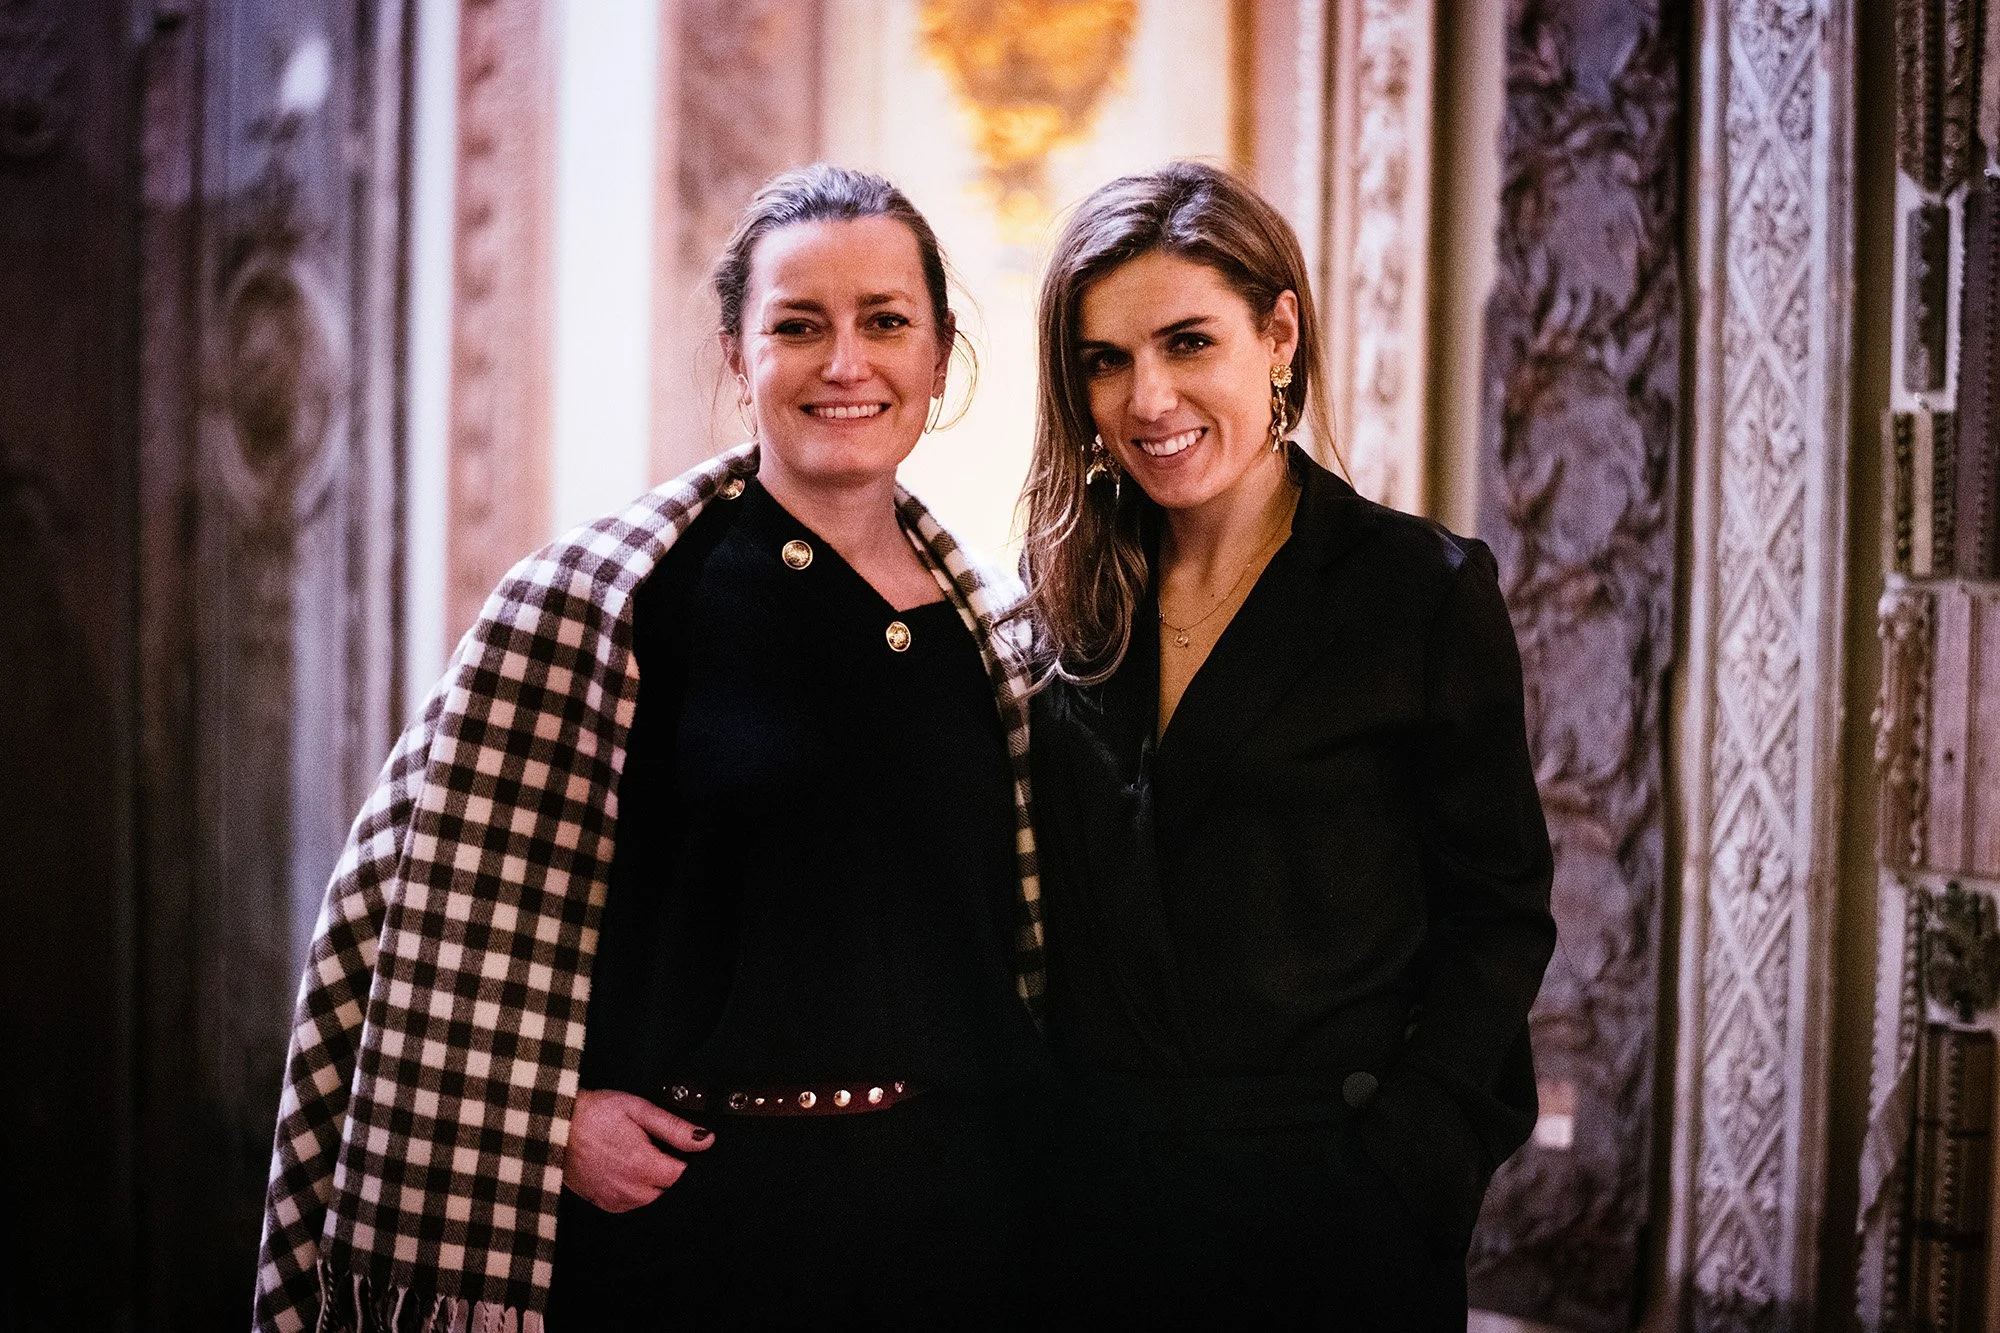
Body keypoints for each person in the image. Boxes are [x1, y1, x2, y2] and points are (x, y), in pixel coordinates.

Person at [254, 164, 1048, 1332]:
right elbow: (411, 935)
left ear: (937, 358)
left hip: (954, 1232)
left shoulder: (1003, 639)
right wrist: (545, 1117)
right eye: (796, 326)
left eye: (885, 322)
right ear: (737, 353)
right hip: (693, 1232)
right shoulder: (603, 604)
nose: (845, 363)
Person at [1018, 160, 1556, 1328]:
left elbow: (1499, 913)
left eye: (1186, 342)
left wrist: (1414, 1160)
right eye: (1104, 361)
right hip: (1088, 1223)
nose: (1146, 398)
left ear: (1278, 335)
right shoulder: (1060, 603)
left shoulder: (1417, 590)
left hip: (1333, 1223)